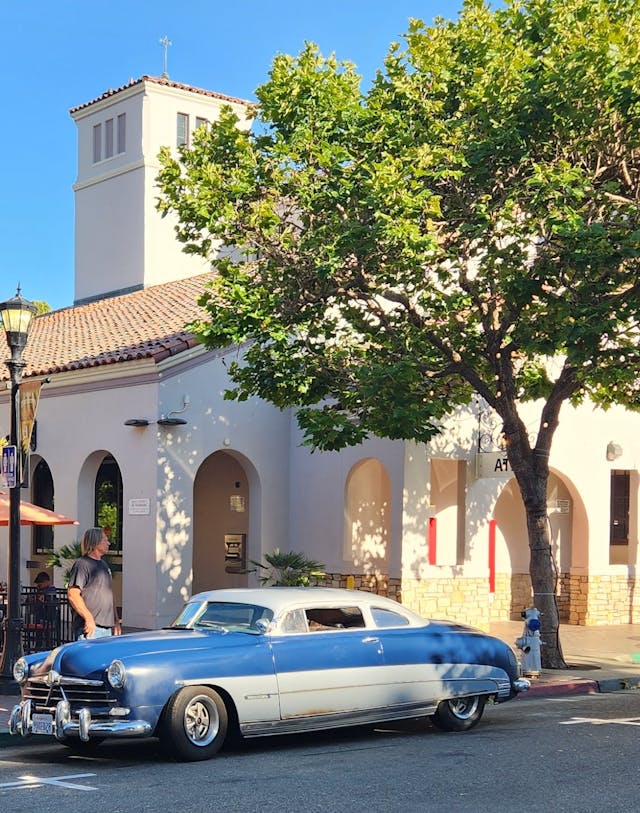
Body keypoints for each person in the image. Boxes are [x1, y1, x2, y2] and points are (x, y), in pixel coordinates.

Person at [67, 527, 121, 640]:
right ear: (95, 542)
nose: (108, 543)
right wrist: (88, 618)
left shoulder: (104, 565)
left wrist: (116, 621)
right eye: (105, 540)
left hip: (106, 628)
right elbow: (73, 594)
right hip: (90, 628)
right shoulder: (82, 564)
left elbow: (109, 595)